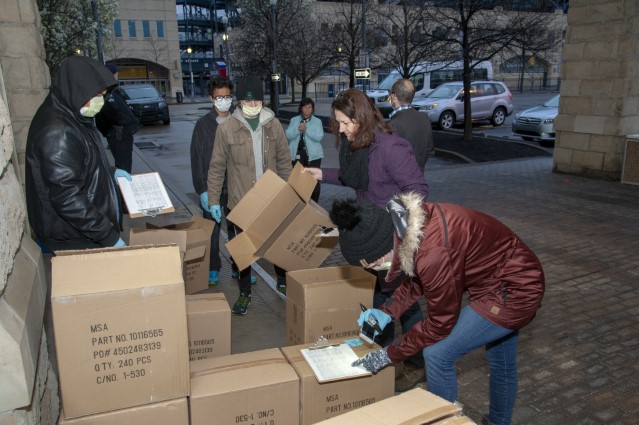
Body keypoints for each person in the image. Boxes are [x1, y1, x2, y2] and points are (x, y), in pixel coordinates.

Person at [330, 193, 545, 425]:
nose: (376, 269)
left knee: (437, 354)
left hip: (514, 291)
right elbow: (419, 279)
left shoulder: (434, 252)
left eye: (373, 264)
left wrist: (389, 354)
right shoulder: (408, 226)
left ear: (384, 247)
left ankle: (444, 421)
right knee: (501, 361)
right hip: (501, 278)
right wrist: (388, 311)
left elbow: (440, 324)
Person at [304, 88, 429, 391]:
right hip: (370, 236)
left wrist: (397, 244)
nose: (342, 130)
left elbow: (419, 192)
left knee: (403, 305)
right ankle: (385, 359)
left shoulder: (391, 148)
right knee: (381, 301)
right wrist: (321, 174)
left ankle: (414, 365)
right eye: (338, 124)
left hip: (391, 239)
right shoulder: (358, 146)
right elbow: (353, 178)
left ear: (361, 118)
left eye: (346, 123)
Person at [25, 56, 130, 252]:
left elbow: (79, 162)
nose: (100, 100)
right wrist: (107, 235)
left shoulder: (74, 113)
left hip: (84, 232)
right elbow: (66, 196)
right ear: (78, 88)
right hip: (75, 237)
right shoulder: (57, 130)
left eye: (104, 94)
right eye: (97, 94)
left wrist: (110, 171)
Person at [207, 76, 292, 314]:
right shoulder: (226, 129)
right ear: (240, 102)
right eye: (248, 101)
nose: (253, 105)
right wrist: (214, 200)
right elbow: (216, 167)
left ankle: (283, 282)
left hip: (271, 198)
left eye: (256, 101)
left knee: (275, 244)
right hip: (240, 202)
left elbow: (285, 161)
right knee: (244, 252)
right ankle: (245, 293)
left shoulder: (273, 124)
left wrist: (289, 192)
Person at [190, 76, 234, 286]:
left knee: (238, 232)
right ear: (211, 98)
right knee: (212, 233)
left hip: (237, 187)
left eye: (227, 96)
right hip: (213, 188)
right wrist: (202, 190)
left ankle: (240, 267)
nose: (224, 101)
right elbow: (196, 158)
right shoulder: (203, 125)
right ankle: (214, 267)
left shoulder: (239, 121)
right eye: (219, 97)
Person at [95, 63, 141, 173]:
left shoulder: (113, 91)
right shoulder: (107, 93)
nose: (118, 76)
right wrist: (128, 122)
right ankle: (122, 189)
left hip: (119, 133)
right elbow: (113, 114)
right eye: (116, 74)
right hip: (119, 134)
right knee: (123, 167)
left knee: (124, 165)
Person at [388, 79, 434, 171]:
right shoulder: (424, 118)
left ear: (394, 96)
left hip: (399, 181)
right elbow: (430, 150)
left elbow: (388, 159)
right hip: (419, 178)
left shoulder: (393, 125)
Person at [285, 97, 324, 202]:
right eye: (305, 107)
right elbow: (288, 135)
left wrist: (306, 129)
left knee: (313, 180)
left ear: (312, 109)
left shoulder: (317, 121)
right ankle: (300, 202)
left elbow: (319, 137)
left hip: (313, 156)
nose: (307, 110)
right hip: (297, 154)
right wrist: (298, 129)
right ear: (301, 108)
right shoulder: (294, 120)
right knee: (298, 179)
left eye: (310, 107)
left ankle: (314, 202)